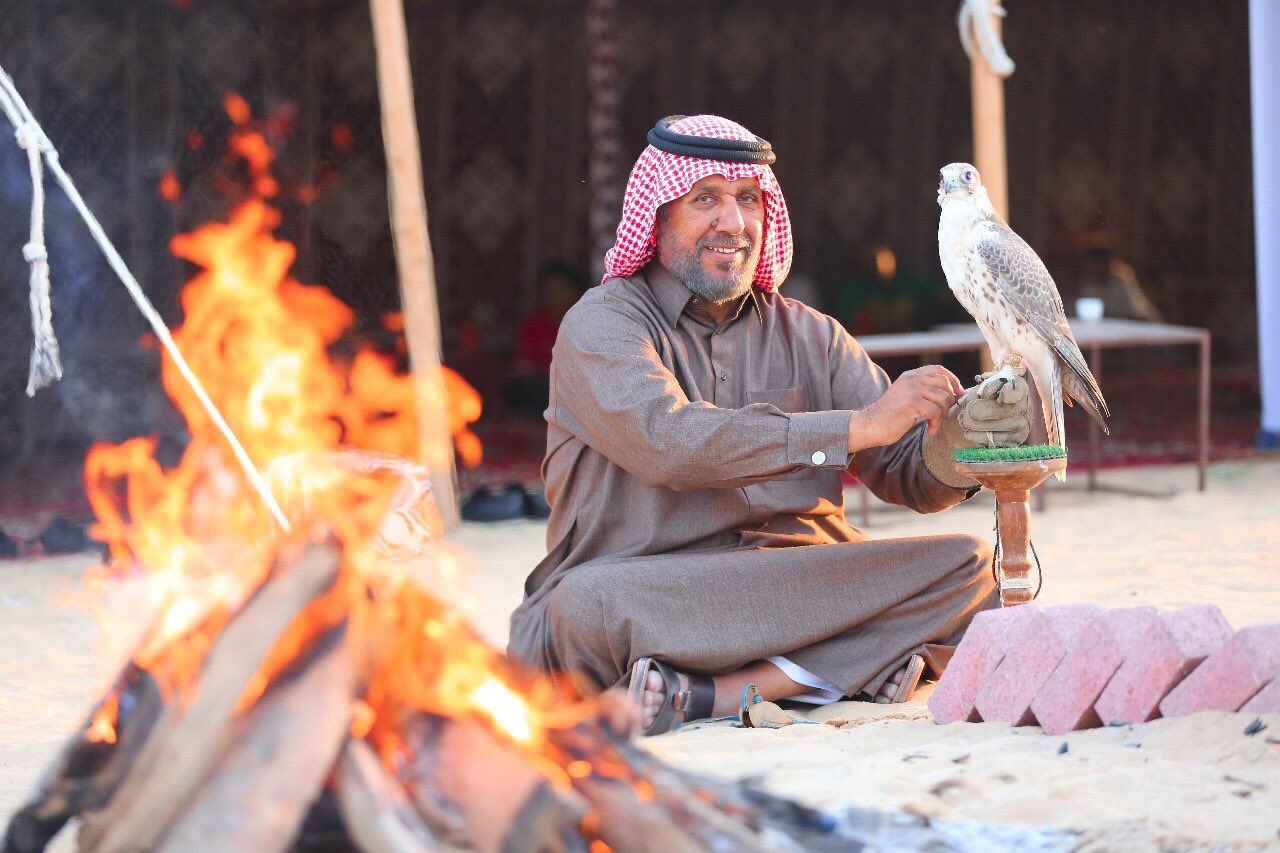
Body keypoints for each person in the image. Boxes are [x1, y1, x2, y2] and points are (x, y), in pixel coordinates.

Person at [507, 115, 1030, 735]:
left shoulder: (811, 333)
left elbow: (906, 477)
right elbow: (669, 445)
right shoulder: (603, 325)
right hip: (659, 592)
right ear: (658, 214)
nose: (733, 222)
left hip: (796, 585)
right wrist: (856, 425)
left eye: (748, 200)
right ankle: (850, 667)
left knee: (972, 568)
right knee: (580, 609)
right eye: (706, 199)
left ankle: (725, 691)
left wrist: (965, 436)